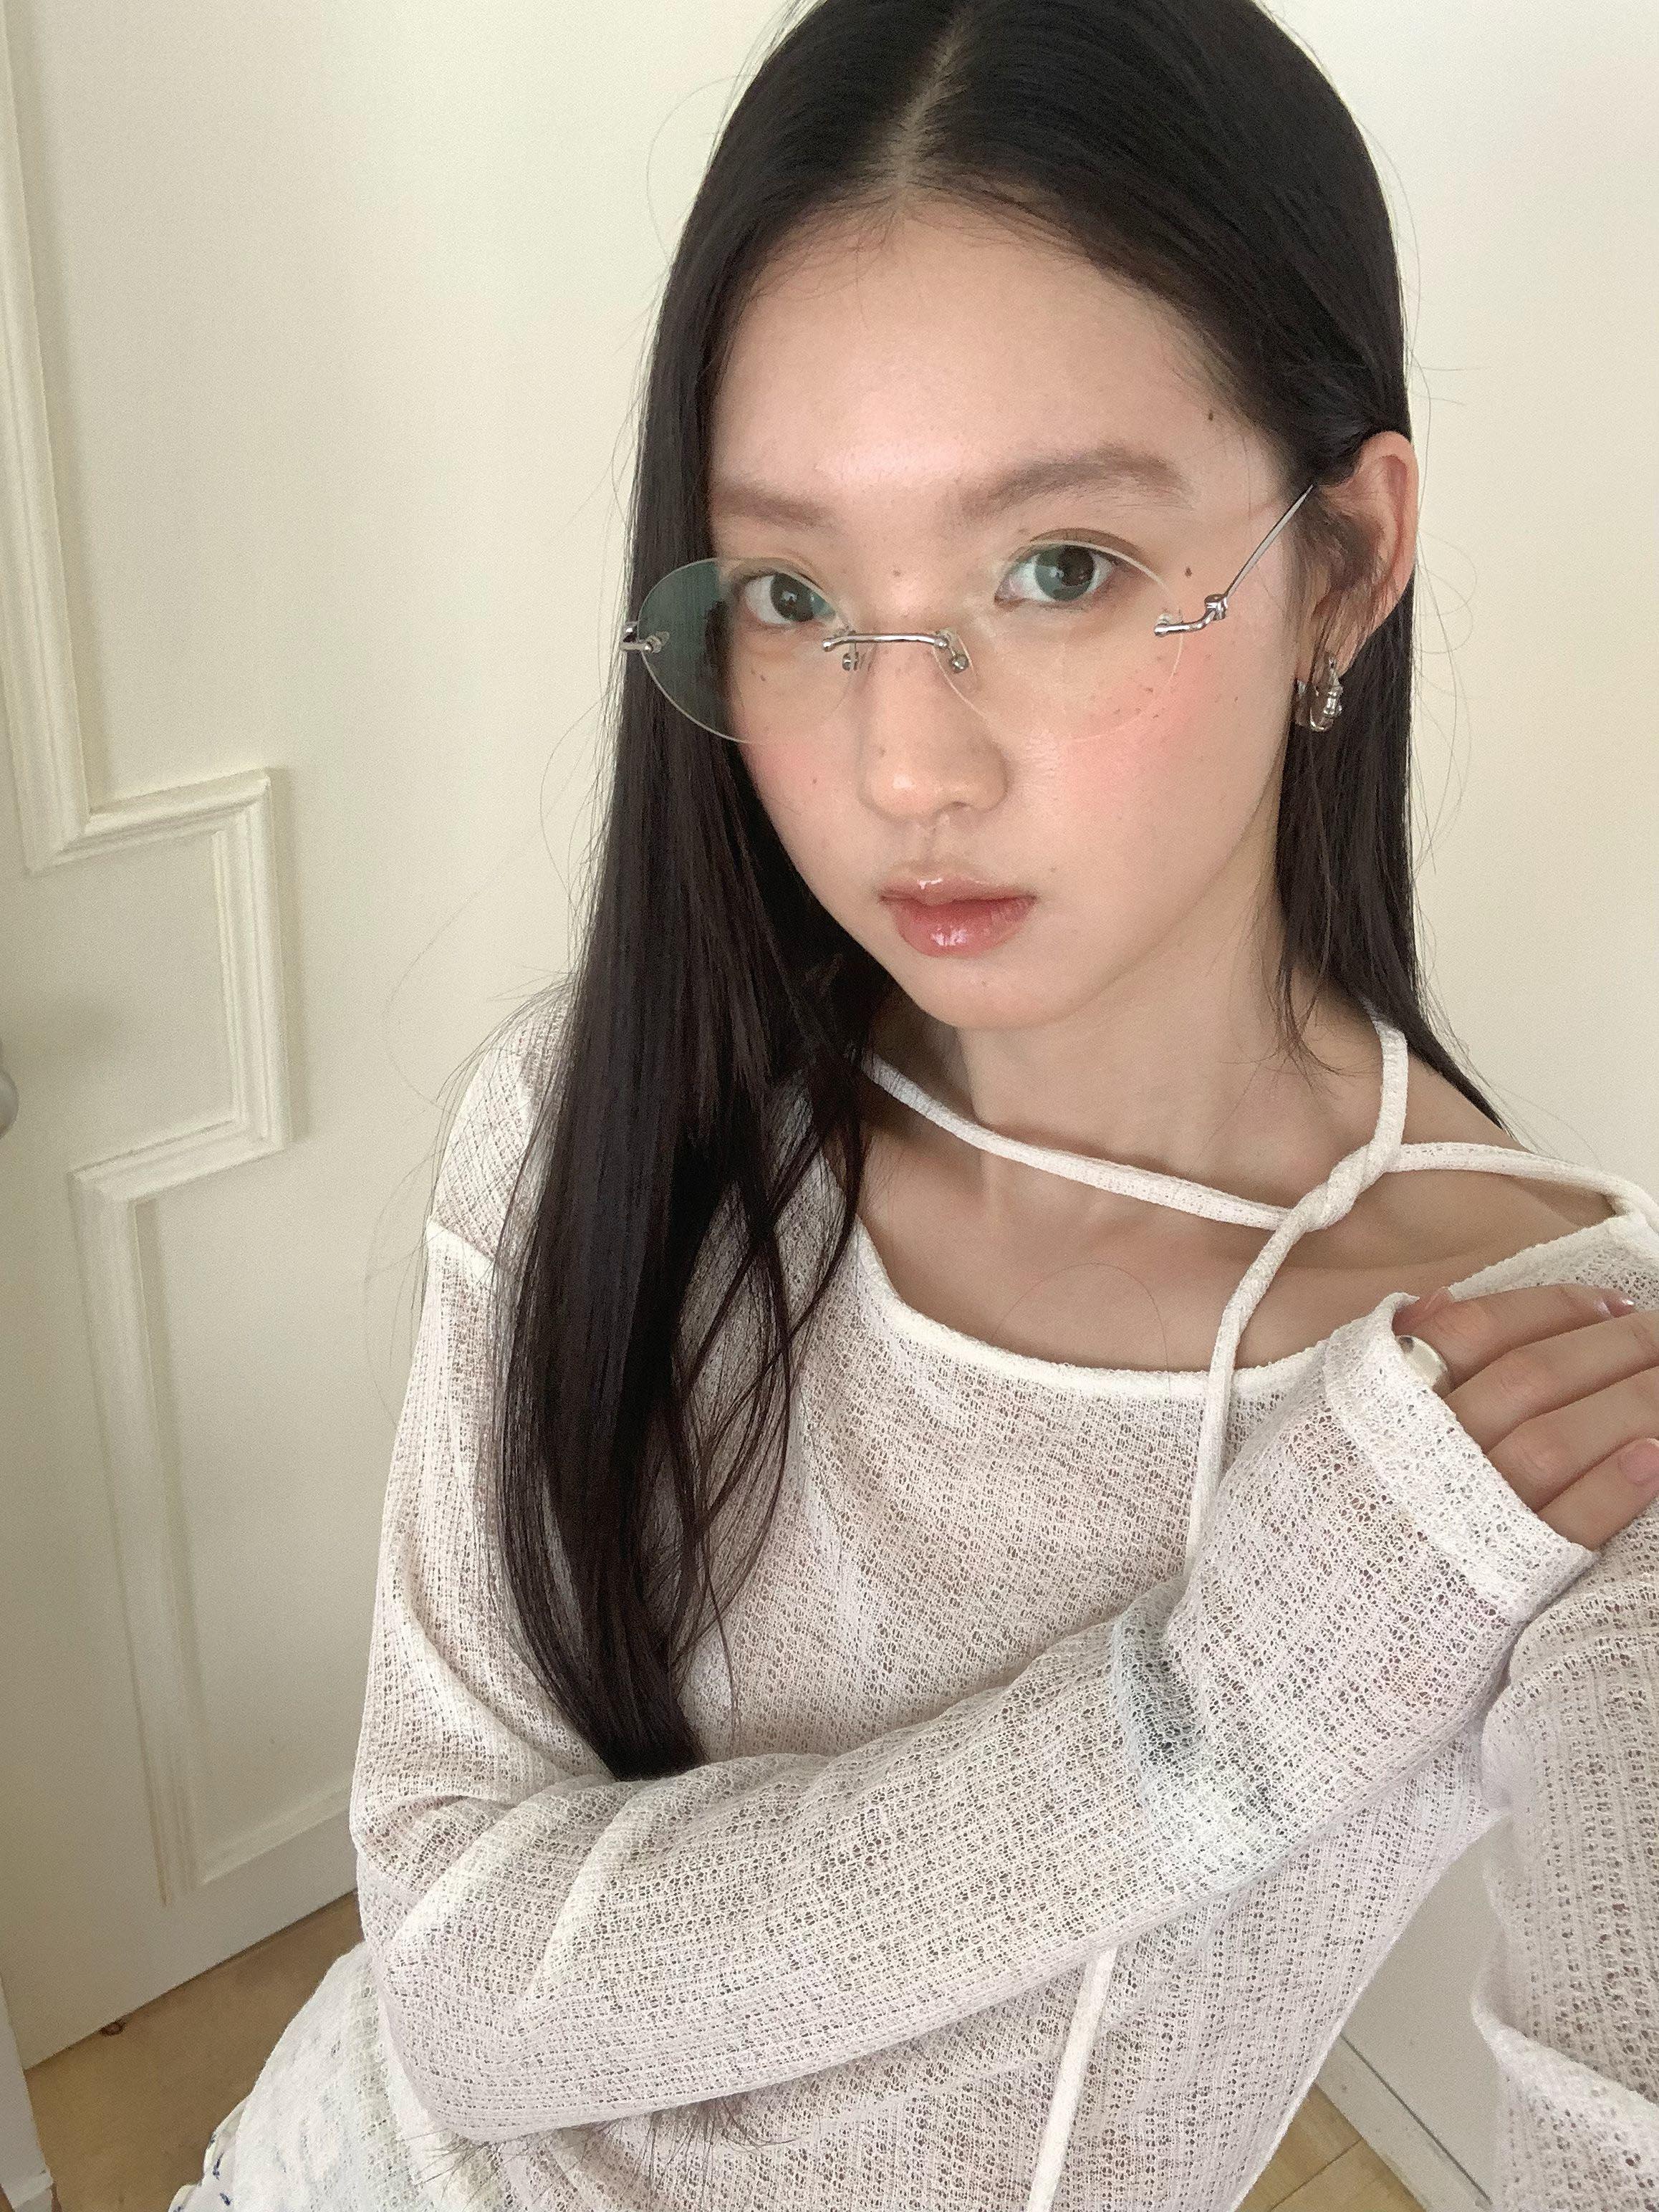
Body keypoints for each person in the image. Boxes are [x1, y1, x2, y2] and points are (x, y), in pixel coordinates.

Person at [170, 0, 1659, 2206]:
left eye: (1057, 570)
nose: (899, 766)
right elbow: (461, 1984)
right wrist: (1214, 1720)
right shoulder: (608, 1119)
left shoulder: (1542, 1420)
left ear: (1342, 562)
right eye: (792, 596)